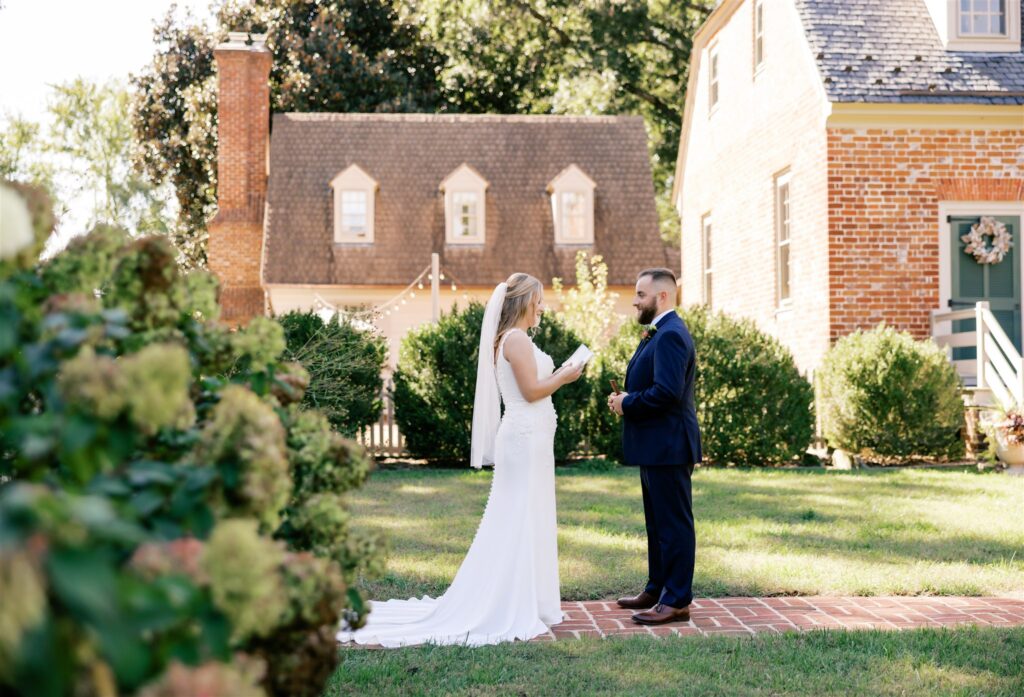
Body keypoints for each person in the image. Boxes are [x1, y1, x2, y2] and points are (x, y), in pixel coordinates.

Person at [338, 272, 584, 647]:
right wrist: (566, 376)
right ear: (521, 302)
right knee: (518, 516)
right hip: (523, 438)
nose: (542, 306)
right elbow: (533, 391)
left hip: (531, 439)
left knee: (527, 516)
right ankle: (508, 601)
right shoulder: (515, 339)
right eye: (538, 300)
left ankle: (530, 598)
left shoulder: (515, 338)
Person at [607, 267, 702, 626]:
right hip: (655, 445)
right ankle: (657, 587)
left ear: (662, 297)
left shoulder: (672, 335)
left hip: (670, 445)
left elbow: (667, 392)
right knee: (657, 523)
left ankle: (676, 600)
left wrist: (627, 403)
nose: (635, 301)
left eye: (640, 295)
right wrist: (626, 398)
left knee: (674, 525)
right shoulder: (657, 333)